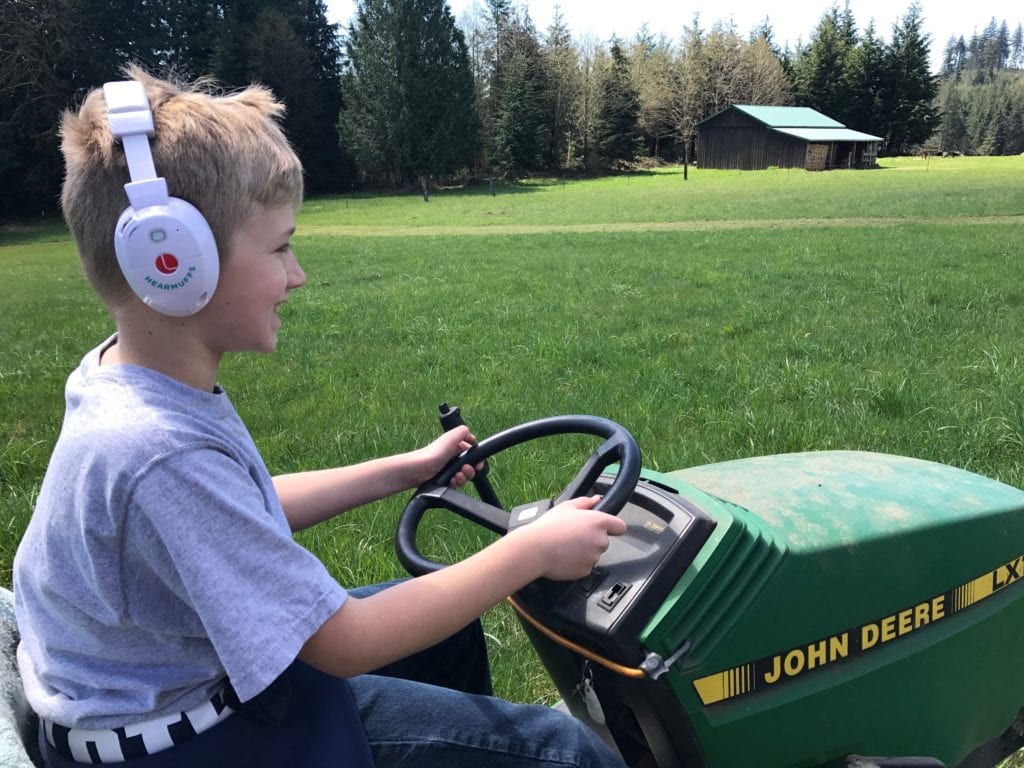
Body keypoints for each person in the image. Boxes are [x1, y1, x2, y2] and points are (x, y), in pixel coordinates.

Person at [12, 68, 628, 768]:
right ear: (173, 261)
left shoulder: (129, 383)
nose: (298, 273)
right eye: (280, 247)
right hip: (197, 742)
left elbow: (242, 508)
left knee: (447, 634)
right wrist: (532, 551)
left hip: (183, 699)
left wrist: (406, 469)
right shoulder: (158, 448)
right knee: (566, 753)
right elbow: (345, 643)